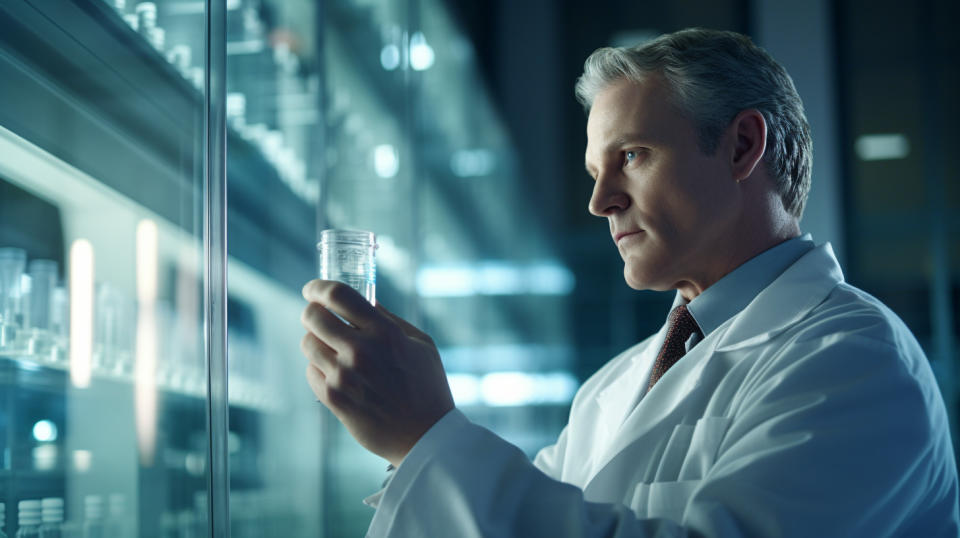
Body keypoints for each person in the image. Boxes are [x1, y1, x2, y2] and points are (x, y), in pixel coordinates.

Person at [299, 28, 960, 536]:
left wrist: (427, 434)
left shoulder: (856, 361)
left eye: (632, 156)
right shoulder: (611, 388)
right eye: (594, 171)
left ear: (741, 147)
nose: (601, 201)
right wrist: (408, 445)